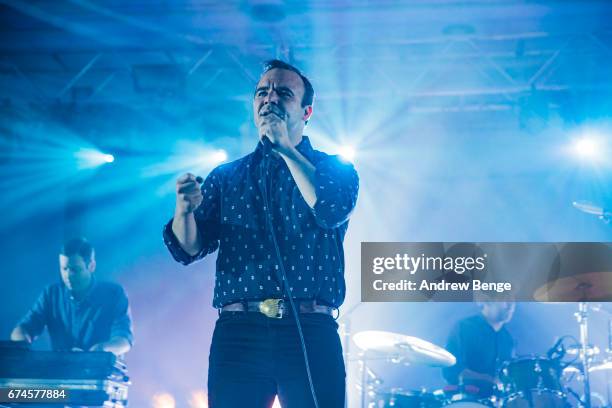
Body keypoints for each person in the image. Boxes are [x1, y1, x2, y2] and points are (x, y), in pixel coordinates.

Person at [163, 59, 359, 408]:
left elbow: (330, 209)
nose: (270, 99)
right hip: (240, 331)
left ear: (306, 111)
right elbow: (188, 248)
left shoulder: (335, 169)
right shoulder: (228, 176)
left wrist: (284, 148)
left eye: (283, 93)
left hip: (309, 330)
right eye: (262, 92)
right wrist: (185, 211)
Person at [11, 237, 133, 357]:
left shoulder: (113, 294)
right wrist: (21, 342)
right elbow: (24, 328)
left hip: (101, 373)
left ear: (91, 266)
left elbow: (124, 341)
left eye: (75, 270)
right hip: (60, 372)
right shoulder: (51, 294)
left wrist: (100, 350)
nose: (68, 276)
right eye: (64, 269)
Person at [442, 301, 516, 399]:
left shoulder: (508, 339)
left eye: (513, 301)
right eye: (505, 299)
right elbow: (451, 371)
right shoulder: (465, 327)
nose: (510, 306)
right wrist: (489, 379)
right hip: (465, 399)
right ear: (486, 301)